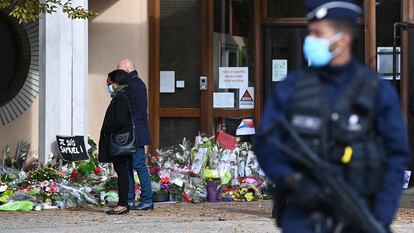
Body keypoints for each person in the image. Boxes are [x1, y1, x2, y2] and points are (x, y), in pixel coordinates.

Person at [254, 0, 411, 232]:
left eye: (318, 34)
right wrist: (291, 179)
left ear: (342, 39)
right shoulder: (293, 88)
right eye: (311, 33)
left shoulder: (376, 90)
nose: (310, 40)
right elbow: (266, 143)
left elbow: (395, 156)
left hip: (360, 215)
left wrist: (381, 215)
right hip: (303, 216)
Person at [117, 59, 153, 210]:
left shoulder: (132, 86)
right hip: (135, 132)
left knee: (138, 165)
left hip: (134, 133)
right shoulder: (137, 84)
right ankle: (130, 199)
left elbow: (127, 108)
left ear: (126, 70)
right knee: (129, 165)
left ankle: (146, 199)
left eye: (119, 72)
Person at [99, 69, 133, 215]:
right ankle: (123, 203)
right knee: (122, 171)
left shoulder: (120, 98)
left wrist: (108, 128)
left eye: (110, 82)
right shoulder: (120, 97)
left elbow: (120, 121)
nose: (108, 85)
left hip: (119, 142)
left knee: (122, 172)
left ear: (117, 83)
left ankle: (122, 204)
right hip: (119, 141)